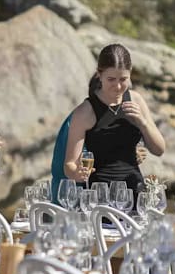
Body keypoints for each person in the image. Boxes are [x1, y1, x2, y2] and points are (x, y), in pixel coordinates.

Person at [61, 44, 166, 192]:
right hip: (99, 197)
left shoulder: (136, 100)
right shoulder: (85, 112)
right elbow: (69, 164)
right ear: (99, 74)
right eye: (111, 79)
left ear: (130, 74)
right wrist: (77, 173)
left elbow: (159, 150)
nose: (117, 86)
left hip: (134, 192)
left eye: (123, 79)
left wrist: (143, 123)